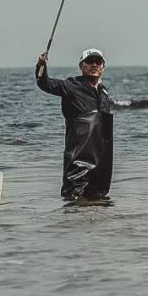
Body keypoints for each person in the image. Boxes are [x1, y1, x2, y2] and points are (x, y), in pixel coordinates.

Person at [35, 47, 114, 199]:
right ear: (81, 66)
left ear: (103, 67)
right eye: (89, 61)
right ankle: (70, 223)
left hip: (101, 162)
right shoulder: (71, 86)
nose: (94, 65)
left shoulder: (104, 92)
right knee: (73, 200)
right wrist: (41, 66)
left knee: (100, 202)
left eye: (98, 62)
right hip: (78, 158)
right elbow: (44, 83)